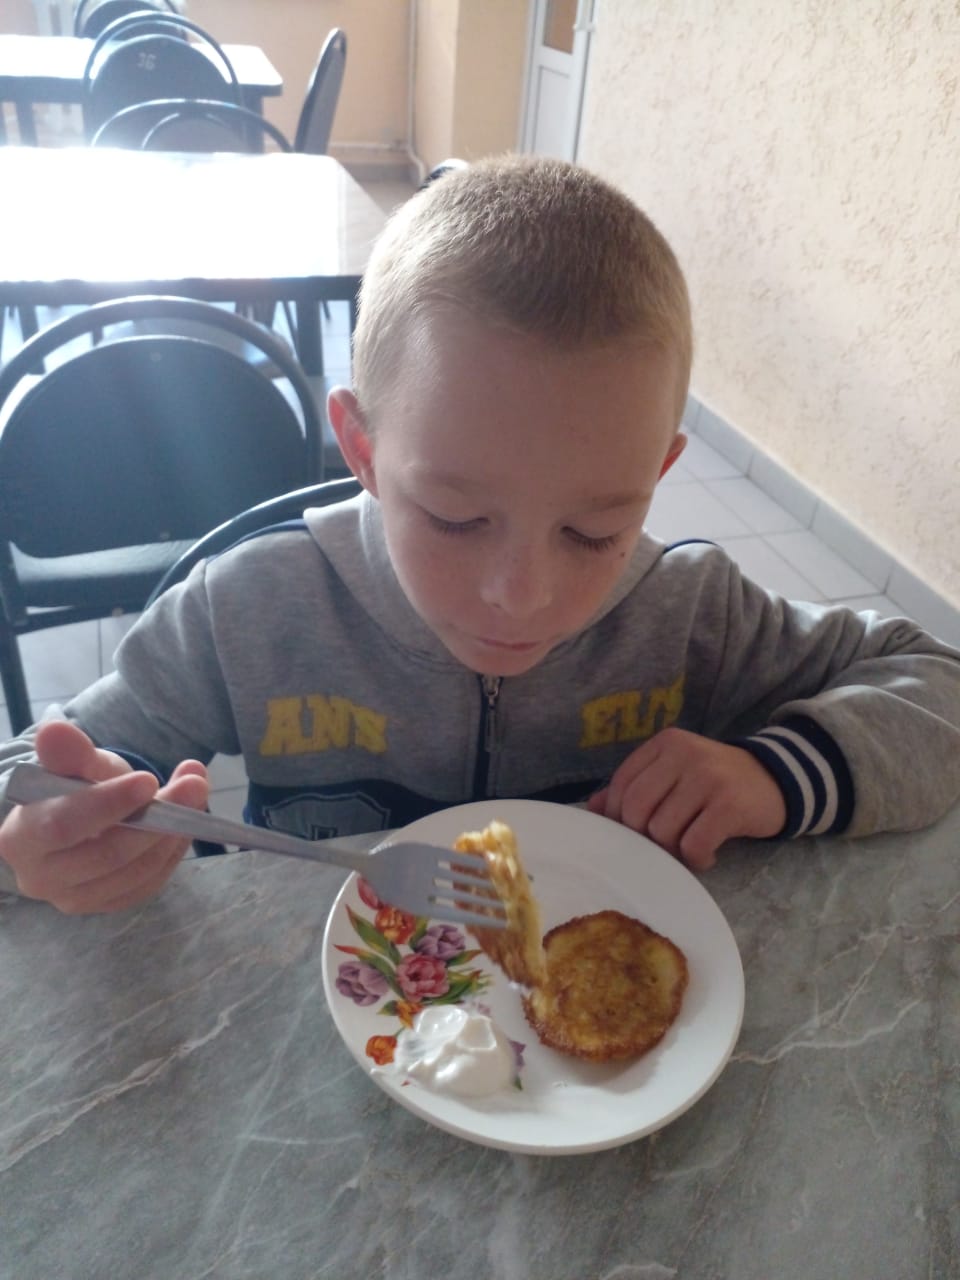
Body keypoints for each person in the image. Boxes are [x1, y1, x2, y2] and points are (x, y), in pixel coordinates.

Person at [1, 155, 959, 916]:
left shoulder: (690, 615)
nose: (521, 595)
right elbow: (31, 778)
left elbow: (938, 684)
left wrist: (771, 774)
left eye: (594, 530)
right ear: (363, 450)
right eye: (456, 518)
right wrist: (44, 842)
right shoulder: (247, 611)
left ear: (659, 475)